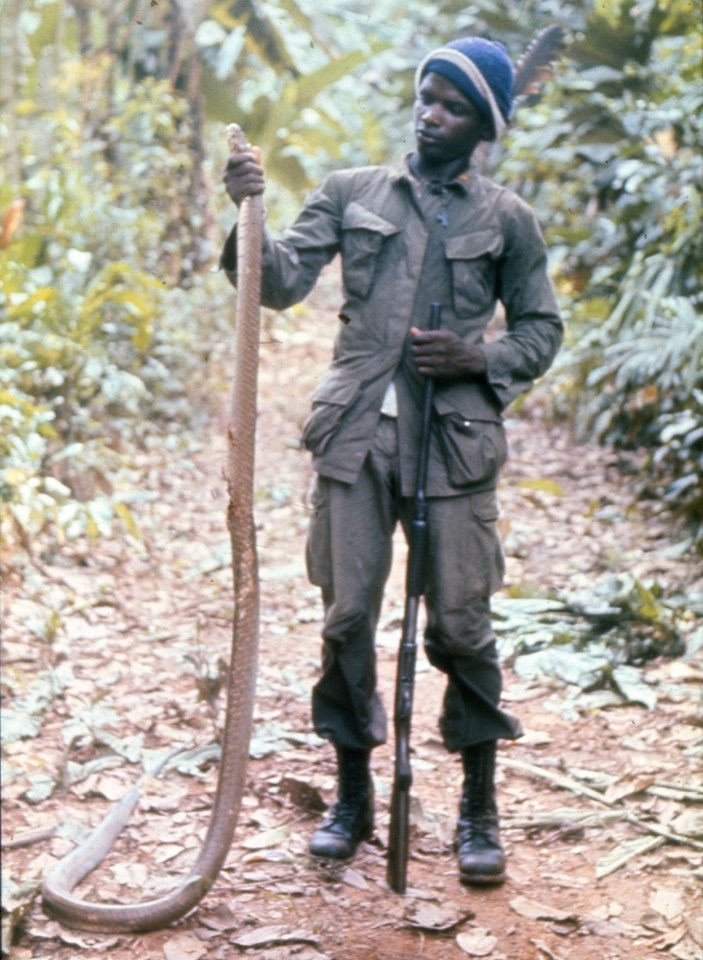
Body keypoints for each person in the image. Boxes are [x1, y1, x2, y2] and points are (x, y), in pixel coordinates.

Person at [222, 37, 562, 887]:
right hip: (354, 439)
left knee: (460, 625)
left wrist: (477, 356)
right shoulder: (351, 192)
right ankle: (351, 795)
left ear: (481, 126)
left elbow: (540, 329)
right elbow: (279, 280)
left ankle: (478, 808)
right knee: (345, 618)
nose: (430, 113)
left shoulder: (507, 217)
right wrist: (245, 216)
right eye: (426, 96)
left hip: (452, 447)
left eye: (452, 105)